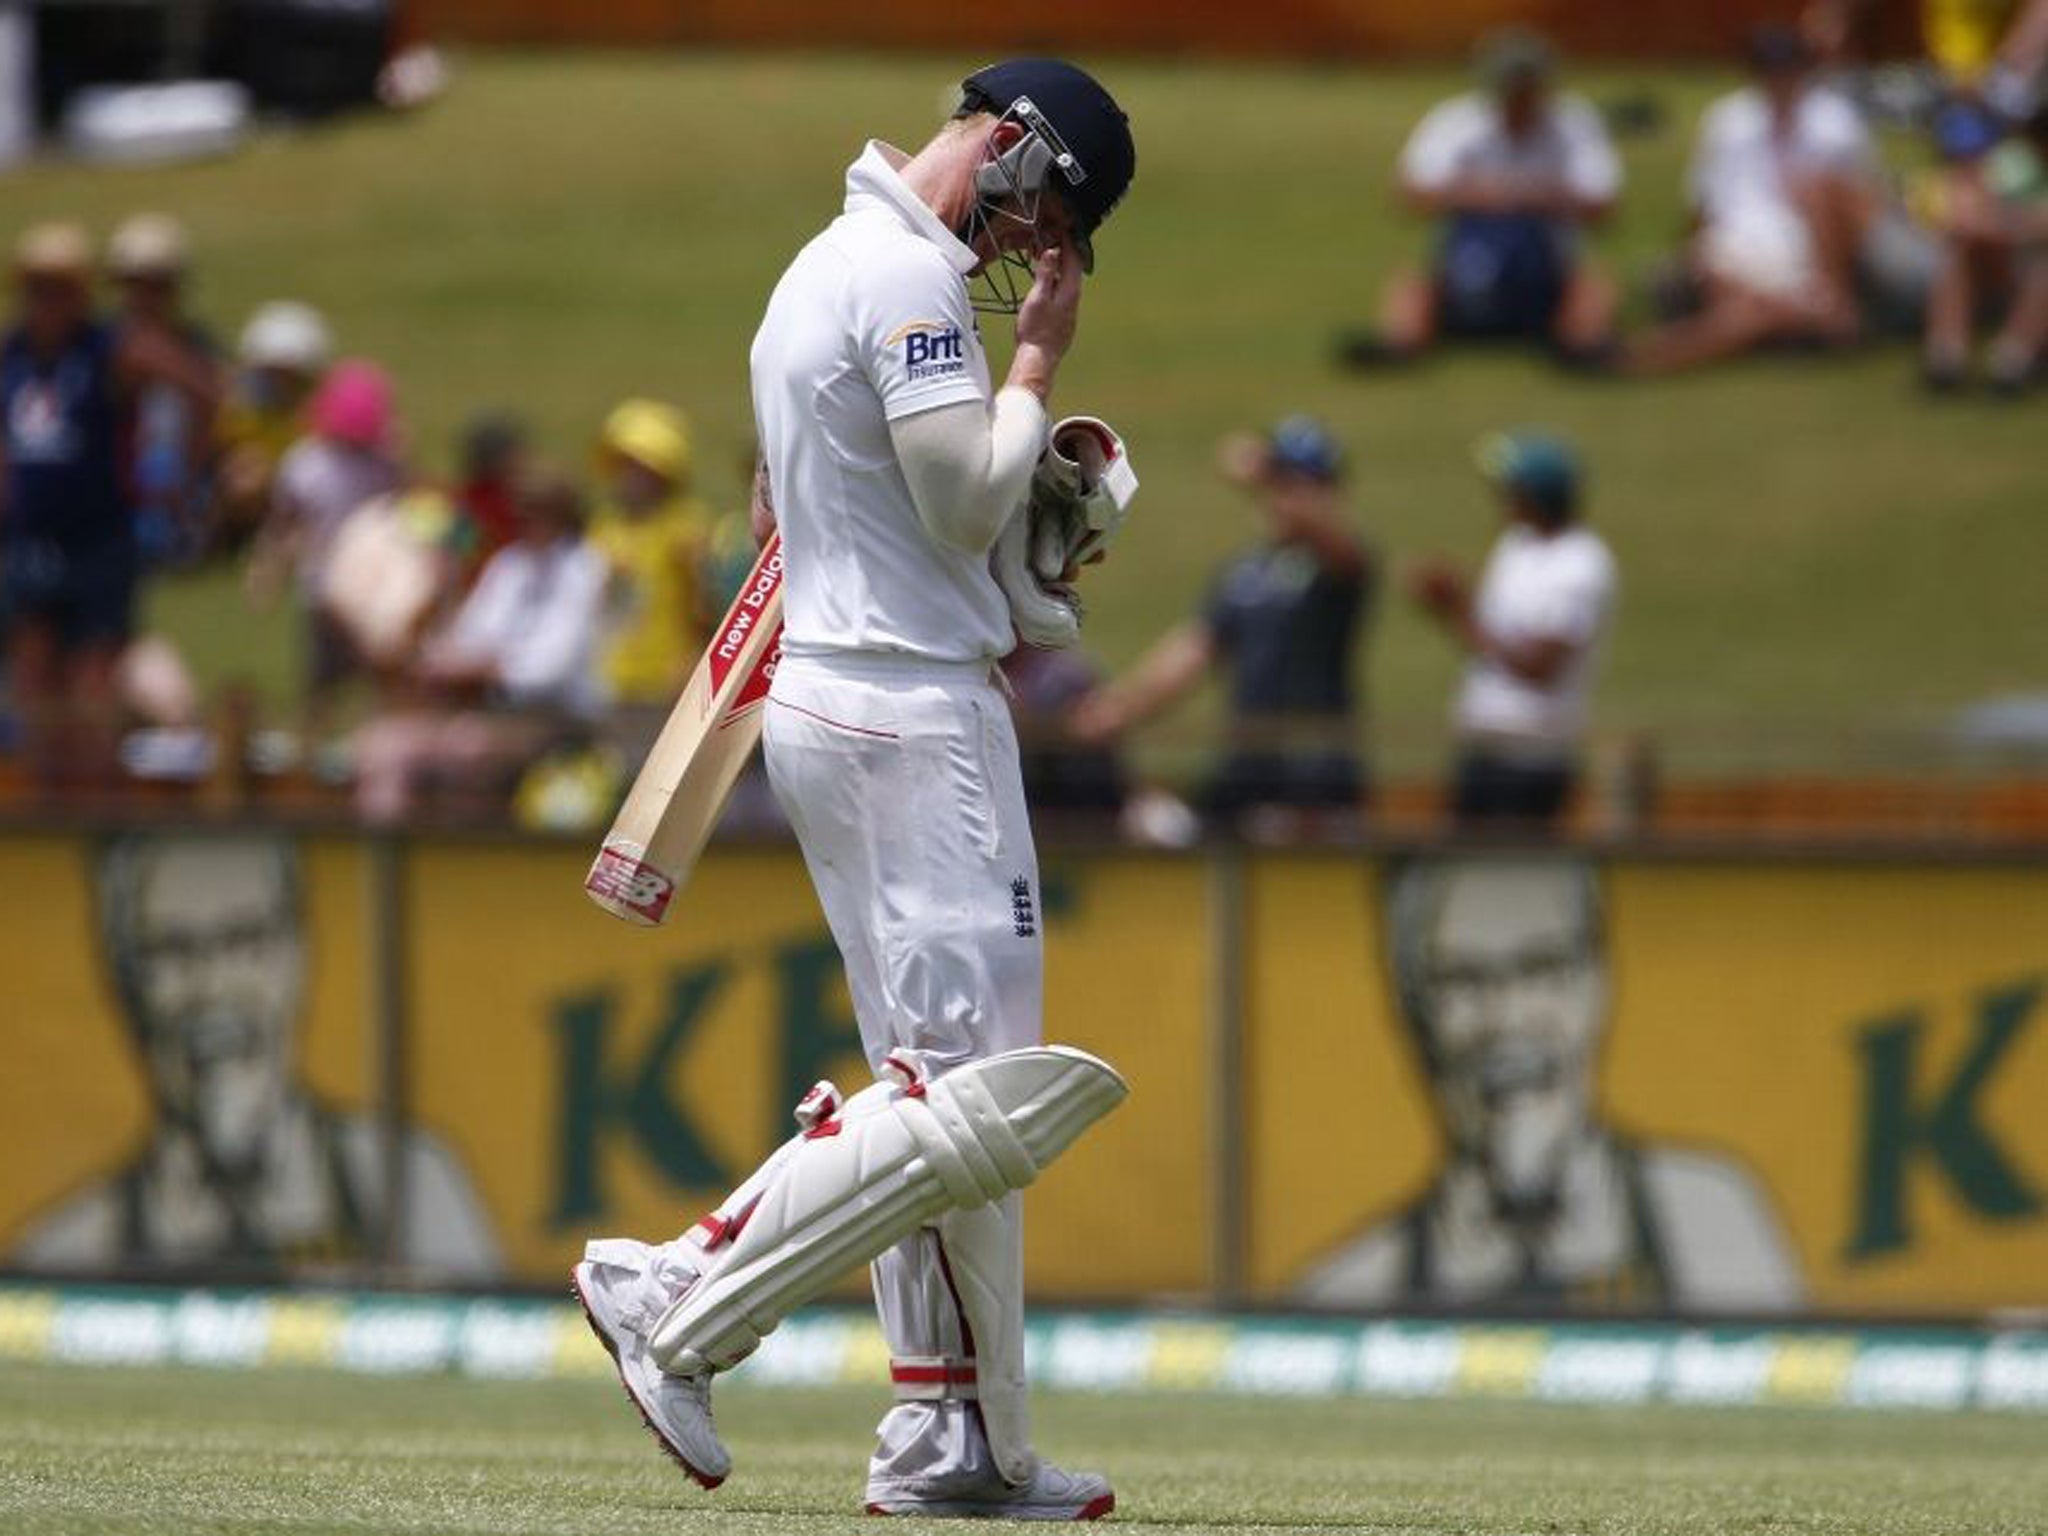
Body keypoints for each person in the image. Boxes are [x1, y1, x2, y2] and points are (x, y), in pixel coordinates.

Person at [572, 58, 1136, 1521]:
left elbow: (798, 510)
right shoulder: (899, 278)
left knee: (944, 1095)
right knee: (970, 1095)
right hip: (904, 711)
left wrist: (1027, 543)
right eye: (1045, 216)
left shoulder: (822, 265)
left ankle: (957, 1446)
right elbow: (956, 495)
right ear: (1013, 148)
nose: (1031, 254)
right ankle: (679, 1293)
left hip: (845, 686)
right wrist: (1037, 374)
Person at [1294, 855, 1804, 1313]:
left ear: (1597, 989)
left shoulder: (1707, 1216)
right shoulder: (1351, 1288)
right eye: (1463, 980)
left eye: (1541, 969)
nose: (1508, 1020)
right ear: (1412, 1011)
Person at [10, 831, 500, 1279]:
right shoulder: (68, 1248)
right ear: (122, 982)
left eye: (244, 940)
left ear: (299, 956)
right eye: (172, 950)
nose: (213, 988)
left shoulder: (411, 1183)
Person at [1069, 417, 1372, 838]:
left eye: (1299, 483)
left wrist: (1268, 475)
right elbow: (1194, 650)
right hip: (1247, 770)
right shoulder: (1246, 572)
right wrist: (1119, 709)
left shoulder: (1338, 565)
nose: (1282, 497)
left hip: (1316, 777)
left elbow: (1338, 545)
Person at [1, 223, 213, 792]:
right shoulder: (13, 354)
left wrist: (190, 474)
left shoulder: (107, 350)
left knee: (92, 682)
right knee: (33, 675)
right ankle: (46, 798)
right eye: (36, 288)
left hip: (98, 537)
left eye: (58, 288)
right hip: (31, 538)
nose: (46, 301)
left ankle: (90, 801)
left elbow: (200, 386)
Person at [1340, 28, 1622, 369]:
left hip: (1548, 275)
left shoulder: (1575, 124)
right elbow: (1408, 194)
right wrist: (1480, 195)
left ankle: (1583, 349)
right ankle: (1398, 346)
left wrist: (1526, 197)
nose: (1518, 94)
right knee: (1411, 286)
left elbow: (1603, 205)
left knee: (1593, 287)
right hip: (1466, 269)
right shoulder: (1455, 121)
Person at [1625, 27, 1889, 375]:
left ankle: (1649, 356)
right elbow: (1703, 202)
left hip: (1804, 253)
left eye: (1786, 68)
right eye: (1770, 68)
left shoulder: (1836, 123)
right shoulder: (1727, 120)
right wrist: (1692, 250)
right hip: (1734, 247)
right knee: (1752, 307)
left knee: (1752, 312)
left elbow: (1862, 201)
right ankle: (1806, 323)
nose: (1778, 78)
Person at [352, 466, 608, 824]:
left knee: (469, 749)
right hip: (486, 710)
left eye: (537, 513)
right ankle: (386, 867)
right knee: (384, 748)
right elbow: (469, 638)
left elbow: (550, 669)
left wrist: (484, 666)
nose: (526, 522)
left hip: (558, 719)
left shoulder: (584, 570)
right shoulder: (510, 565)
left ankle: (468, 861)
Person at [1409, 430, 1615, 831]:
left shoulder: (1581, 564)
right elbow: (1494, 638)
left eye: (1510, 488)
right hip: (1485, 747)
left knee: (1513, 877)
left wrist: (1457, 609)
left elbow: (1540, 666)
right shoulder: (1516, 546)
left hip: (1531, 759)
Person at [248, 358, 405, 735]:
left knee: (375, 674)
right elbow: (285, 525)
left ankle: (367, 739)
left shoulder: (384, 464)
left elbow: (401, 514)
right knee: (322, 677)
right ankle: (313, 740)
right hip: (322, 585)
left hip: (371, 587)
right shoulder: (306, 464)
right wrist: (269, 570)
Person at [587, 398, 714, 741]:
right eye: (623, 466)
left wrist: (693, 661)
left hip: (667, 676)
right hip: (612, 675)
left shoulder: (684, 527)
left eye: (641, 467)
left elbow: (703, 604)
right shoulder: (605, 528)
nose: (630, 477)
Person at [106, 213, 223, 569]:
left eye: (157, 285)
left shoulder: (197, 346)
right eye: (136, 285)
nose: (145, 297)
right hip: (117, 477)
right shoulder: (100, 346)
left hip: (183, 475)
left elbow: (216, 407)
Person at [1919, 95, 2048, 390]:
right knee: (1961, 251)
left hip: (2031, 268)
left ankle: (2014, 359)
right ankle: (1947, 358)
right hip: (2011, 266)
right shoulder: (2014, 163)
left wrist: (2008, 223)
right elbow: (1968, 215)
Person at [214, 300, 333, 553]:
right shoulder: (243, 405)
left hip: (306, 488)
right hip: (268, 487)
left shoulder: (319, 407)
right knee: (246, 475)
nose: (280, 380)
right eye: (272, 371)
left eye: (288, 372)